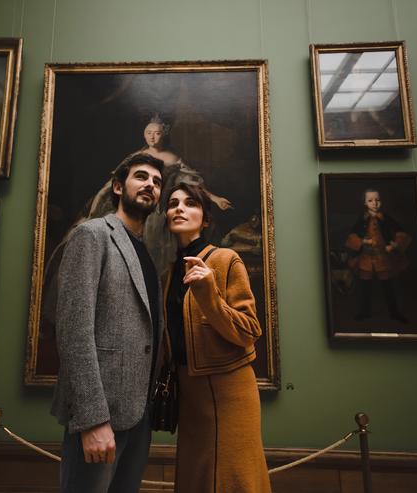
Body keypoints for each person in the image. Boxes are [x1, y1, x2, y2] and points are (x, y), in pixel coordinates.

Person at [51, 153, 164, 493]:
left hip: (138, 416)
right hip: (100, 418)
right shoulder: (92, 235)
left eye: (157, 182)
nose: (150, 185)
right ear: (118, 187)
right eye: (141, 177)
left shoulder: (147, 253)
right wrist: (92, 420)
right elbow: (74, 332)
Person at [162, 182, 271, 492]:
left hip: (228, 391)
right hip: (190, 393)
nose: (179, 208)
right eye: (173, 203)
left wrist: (210, 296)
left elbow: (249, 331)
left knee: (233, 479)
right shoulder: (169, 272)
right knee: (195, 478)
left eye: (190, 203)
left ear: (206, 219)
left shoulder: (225, 259)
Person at [85, 115, 232, 276]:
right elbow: (113, 183)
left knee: (157, 257)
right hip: (141, 211)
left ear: (164, 135)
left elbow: (191, 183)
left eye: (157, 133)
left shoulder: (173, 158)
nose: (152, 137)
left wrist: (215, 199)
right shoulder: (136, 157)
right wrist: (97, 202)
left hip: (158, 213)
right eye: (148, 133)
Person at [345, 188, 411, 323]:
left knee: (388, 287)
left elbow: (400, 232)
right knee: (365, 288)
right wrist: (364, 242)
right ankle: (364, 312)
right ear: (365, 203)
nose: (374, 203)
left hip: (383, 258)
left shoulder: (385, 218)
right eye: (370, 200)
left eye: (377, 200)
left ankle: (394, 313)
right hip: (366, 259)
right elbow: (352, 236)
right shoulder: (362, 219)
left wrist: (393, 245)